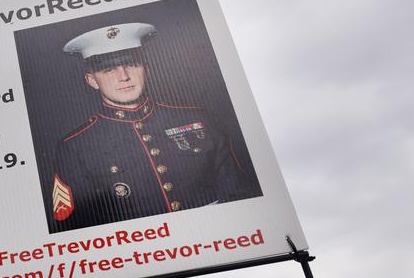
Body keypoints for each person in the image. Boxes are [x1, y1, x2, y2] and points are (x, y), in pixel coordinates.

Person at [49, 22, 259, 231]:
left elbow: (238, 193)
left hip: (216, 234)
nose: (124, 77)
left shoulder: (196, 118)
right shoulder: (74, 145)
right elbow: (76, 226)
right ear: (92, 80)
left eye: (131, 64)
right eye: (109, 69)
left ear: (145, 68)